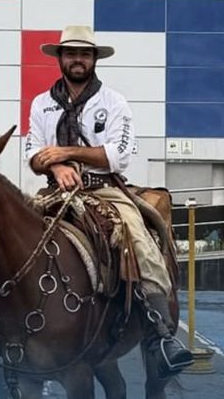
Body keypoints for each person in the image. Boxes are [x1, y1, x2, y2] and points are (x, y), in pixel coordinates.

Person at [25, 25, 193, 377]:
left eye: (85, 54)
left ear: (94, 59)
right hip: (55, 190)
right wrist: (55, 166)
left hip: (103, 189)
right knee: (14, 232)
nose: (78, 60)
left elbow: (119, 155)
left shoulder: (114, 102)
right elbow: (32, 152)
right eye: (71, 53)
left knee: (138, 238)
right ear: (60, 58)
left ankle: (161, 333)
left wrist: (65, 152)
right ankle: (4, 323)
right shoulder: (41, 103)